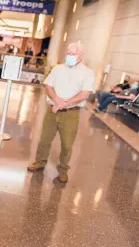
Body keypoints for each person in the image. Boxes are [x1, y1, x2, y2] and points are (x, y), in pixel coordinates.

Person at [27, 41, 94, 184]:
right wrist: (57, 100)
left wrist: (63, 104)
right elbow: (48, 85)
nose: (70, 56)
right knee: (45, 139)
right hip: (52, 111)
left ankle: (63, 170)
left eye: (73, 54)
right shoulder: (58, 69)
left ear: (81, 55)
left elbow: (84, 94)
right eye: (68, 53)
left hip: (71, 113)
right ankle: (39, 162)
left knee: (67, 144)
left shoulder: (87, 73)